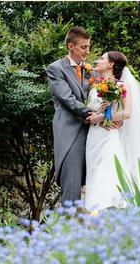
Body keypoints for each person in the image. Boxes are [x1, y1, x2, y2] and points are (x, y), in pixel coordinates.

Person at [84, 51, 140, 212]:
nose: (98, 60)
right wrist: (95, 115)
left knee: (109, 172)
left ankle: (111, 211)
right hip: (93, 137)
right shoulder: (94, 87)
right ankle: (94, 212)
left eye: (102, 58)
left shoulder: (122, 86)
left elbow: (127, 113)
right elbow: (88, 114)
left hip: (109, 136)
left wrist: (104, 117)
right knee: (94, 172)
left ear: (111, 64)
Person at [46, 27, 103, 205]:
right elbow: (67, 99)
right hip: (71, 131)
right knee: (71, 184)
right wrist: (93, 114)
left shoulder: (91, 71)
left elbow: (100, 96)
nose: (88, 51)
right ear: (71, 46)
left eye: (88, 47)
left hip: (94, 132)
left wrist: (107, 116)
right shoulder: (56, 69)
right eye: (83, 47)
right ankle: (68, 228)